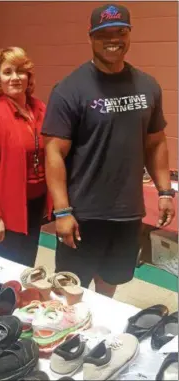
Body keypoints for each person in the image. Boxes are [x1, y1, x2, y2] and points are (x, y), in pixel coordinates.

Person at [42, 4, 175, 297]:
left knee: (110, 282)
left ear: (129, 35)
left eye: (120, 32)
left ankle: (100, 335)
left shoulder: (147, 86)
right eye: (104, 34)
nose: (113, 39)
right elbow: (54, 153)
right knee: (70, 290)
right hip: (83, 214)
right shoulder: (70, 89)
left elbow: (156, 142)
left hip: (127, 213)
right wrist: (62, 210)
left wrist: (165, 191)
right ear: (91, 38)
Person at [0, 47, 48, 266]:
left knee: (25, 265)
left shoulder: (40, 109)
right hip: (3, 209)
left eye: (21, 71)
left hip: (33, 205)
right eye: (7, 72)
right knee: (3, 269)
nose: (15, 77)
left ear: (29, 76)